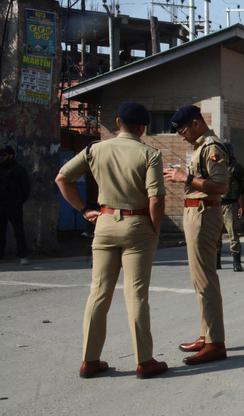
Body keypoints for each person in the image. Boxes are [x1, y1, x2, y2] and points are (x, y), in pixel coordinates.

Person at [55, 102, 168, 379]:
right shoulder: (150, 154)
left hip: (103, 223)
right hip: (137, 223)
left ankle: (89, 360)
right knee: (136, 295)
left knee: (98, 293)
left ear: (117, 122)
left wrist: (83, 209)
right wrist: (154, 229)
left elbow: (62, 178)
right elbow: (156, 199)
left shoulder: (95, 149)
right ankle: (144, 361)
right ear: (143, 127)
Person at [164, 104, 230, 365]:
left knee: (205, 281)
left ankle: (215, 342)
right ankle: (206, 335)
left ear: (196, 123)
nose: (181, 136)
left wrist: (186, 178)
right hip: (196, 212)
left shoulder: (212, 147)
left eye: (183, 130)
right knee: (199, 280)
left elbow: (221, 185)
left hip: (204, 212)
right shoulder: (199, 147)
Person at [0, 145, 30, 265]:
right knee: (0, 231)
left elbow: (25, 188)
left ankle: (23, 255)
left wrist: (19, 201)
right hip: (1, 205)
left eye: (4, 156)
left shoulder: (19, 170)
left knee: (18, 231)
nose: (2, 158)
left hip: (14, 205)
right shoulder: (1, 169)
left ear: (11, 156)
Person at [220, 156, 244, 272]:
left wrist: (242, 206)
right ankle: (216, 261)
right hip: (215, 204)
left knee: (233, 233)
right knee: (215, 234)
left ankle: (236, 262)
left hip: (230, 205)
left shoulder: (236, 168)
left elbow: (243, 189)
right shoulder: (215, 165)